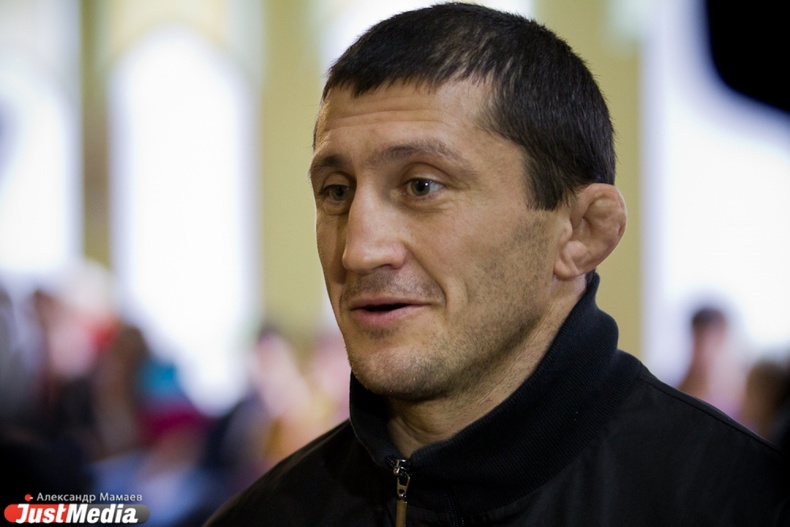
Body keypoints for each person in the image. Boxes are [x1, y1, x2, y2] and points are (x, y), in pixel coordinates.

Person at [205, 3, 789, 525]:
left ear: (581, 232)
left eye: (422, 185)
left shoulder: (741, 502)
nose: (358, 251)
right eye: (336, 191)